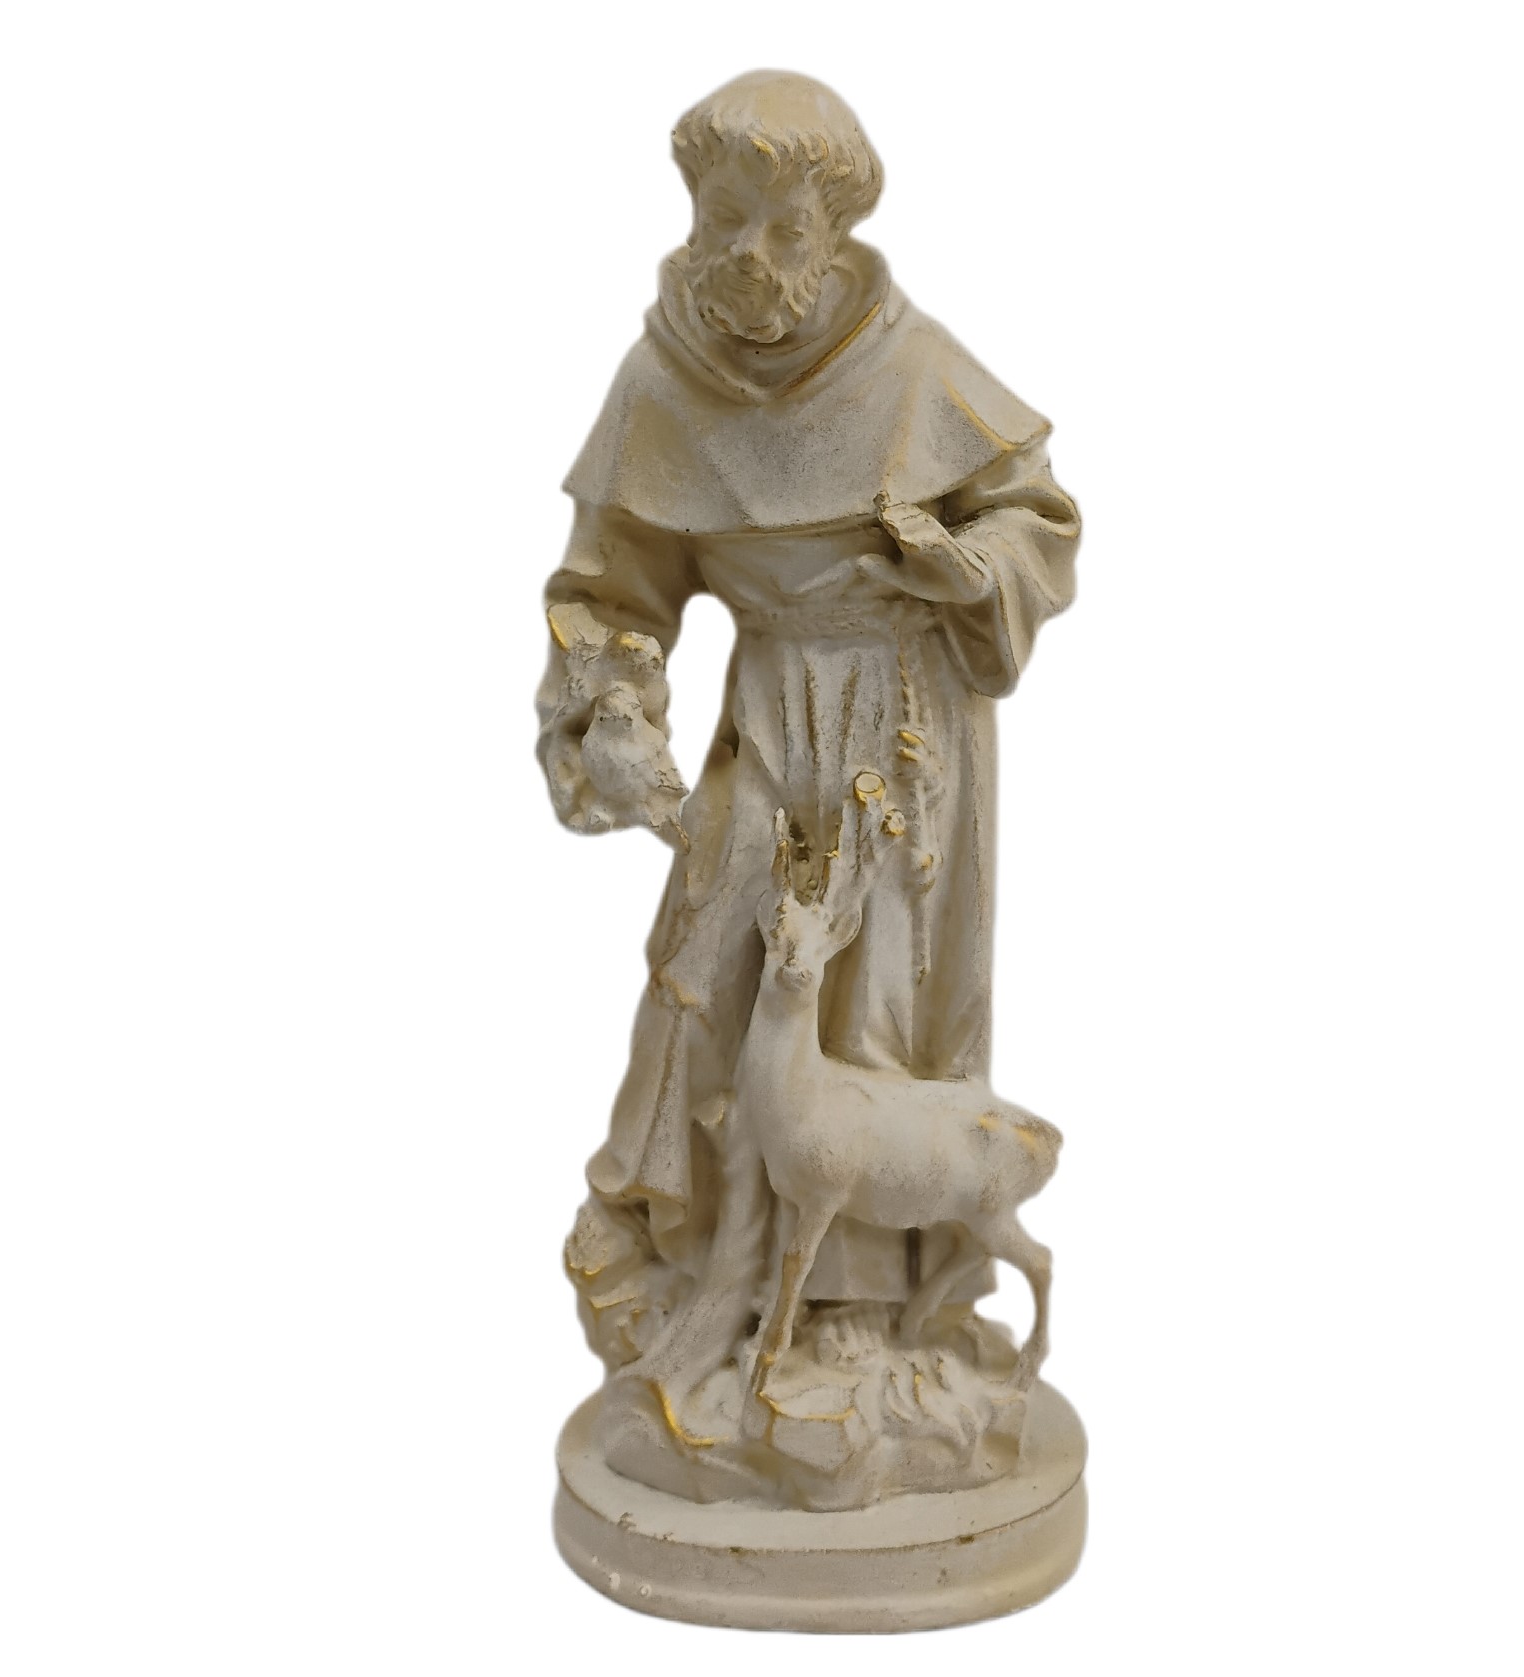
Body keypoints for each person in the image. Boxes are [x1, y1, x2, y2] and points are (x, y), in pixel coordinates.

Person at [537, 70, 1081, 1381]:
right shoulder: (662, 383)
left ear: (833, 233)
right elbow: (608, 589)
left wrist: (967, 568)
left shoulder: (912, 367)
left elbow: (1037, 517)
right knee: (710, 972)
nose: (750, 254)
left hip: (906, 726)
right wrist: (611, 703)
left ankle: (867, 1315)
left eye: (785, 228)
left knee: (879, 1002)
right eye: (725, 218)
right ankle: (703, 1270)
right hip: (771, 716)